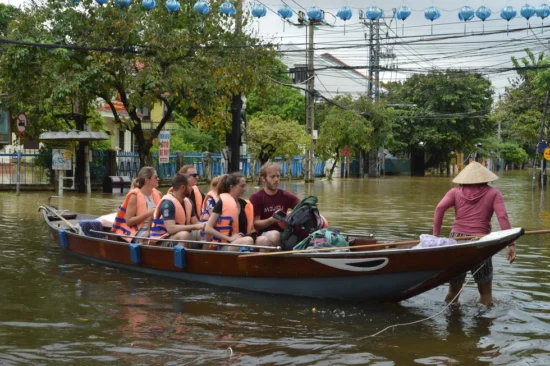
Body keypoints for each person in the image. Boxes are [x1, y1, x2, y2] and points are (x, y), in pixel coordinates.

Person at [433, 161, 516, 306]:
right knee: (485, 294)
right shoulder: (494, 193)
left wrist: (435, 236)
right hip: (481, 243)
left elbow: (439, 208)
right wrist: (511, 244)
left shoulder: (454, 192)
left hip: (456, 241)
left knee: (453, 291)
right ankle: (483, 324)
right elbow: (502, 217)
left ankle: (451, 321)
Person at [249, 163, 300, 248]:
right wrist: (271, 220)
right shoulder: (256, 198)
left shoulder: (286, 196)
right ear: (263, 178)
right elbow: (255, 224)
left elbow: (302, 208)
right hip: (263, 235)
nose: (276, 179)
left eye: (278, 176)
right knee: (275, 235)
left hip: (284, 233)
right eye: (272, 177)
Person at [149, 173, 205, 247]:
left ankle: (204, 257)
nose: (192, 188)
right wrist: (194, 227)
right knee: (184, 235)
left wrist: (206, 225)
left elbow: (196, 222)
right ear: (182, 188)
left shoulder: (188, 202)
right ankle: (179, 258)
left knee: (204, 232)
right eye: (189, 186)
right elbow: (171, 229)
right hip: (163, 239)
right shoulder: (168, 204)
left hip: (179, 235)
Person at [204, 173, 255, 251]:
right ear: (232, 187)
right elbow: (208, 228)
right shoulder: (221, 203)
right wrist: (229, 238)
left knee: (263, 240)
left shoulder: (244, 204)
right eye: (242, 186)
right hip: (225, 244)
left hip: (244, 240)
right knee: (248, 240)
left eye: (245, 186)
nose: (244, 189)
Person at [112, 167, 162, 242]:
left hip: (156, 228)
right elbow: (129, 221)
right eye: (155, 177)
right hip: (139, 231)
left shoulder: (158, 194)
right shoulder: (134, 196)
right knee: (154, 237)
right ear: (147, 180)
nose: (158, 179)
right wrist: (148, 214)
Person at [199, 175, 223, 248]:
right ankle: (205, 252)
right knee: (209, 232)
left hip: (217, 224)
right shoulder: (211, 199)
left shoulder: (223, 198)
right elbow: (212, 214)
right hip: (207, 224)